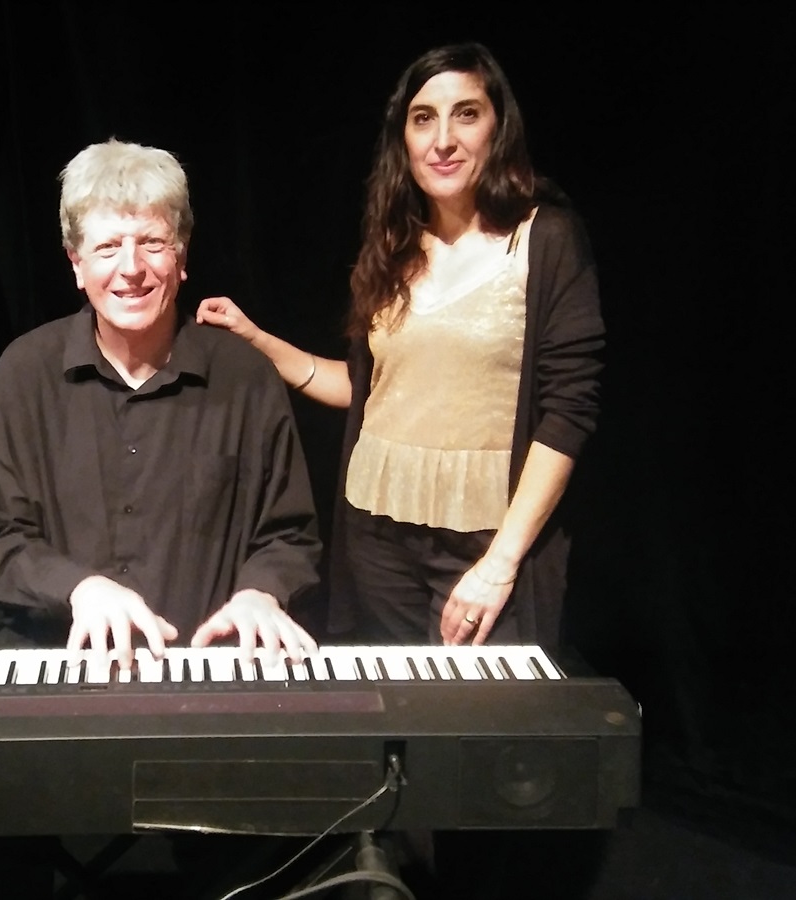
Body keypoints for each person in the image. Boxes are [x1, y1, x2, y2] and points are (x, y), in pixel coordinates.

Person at [0, 138, 324, 897]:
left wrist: (262, 592)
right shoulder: (22, 373)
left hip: (206, 678)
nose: (131, 268)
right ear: (75, 264)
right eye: (107, 247)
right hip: (56, 665)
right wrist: (80, 587)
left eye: (152, 242)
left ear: (182, 259)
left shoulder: (246, 377)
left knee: (300, 824)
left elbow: (288, 533)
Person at [197, 43, 604, 657]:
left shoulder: (545, 239)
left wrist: (501, 563)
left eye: (466, 114)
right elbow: (369, 390)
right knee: (396, 706)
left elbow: (568, 412)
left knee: (478, 713)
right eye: (423, 119)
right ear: (403, 138)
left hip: (486, 542)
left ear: (499, 127)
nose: (443, 140)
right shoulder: (395, 245)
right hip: (376, 537)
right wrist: (257, 340)